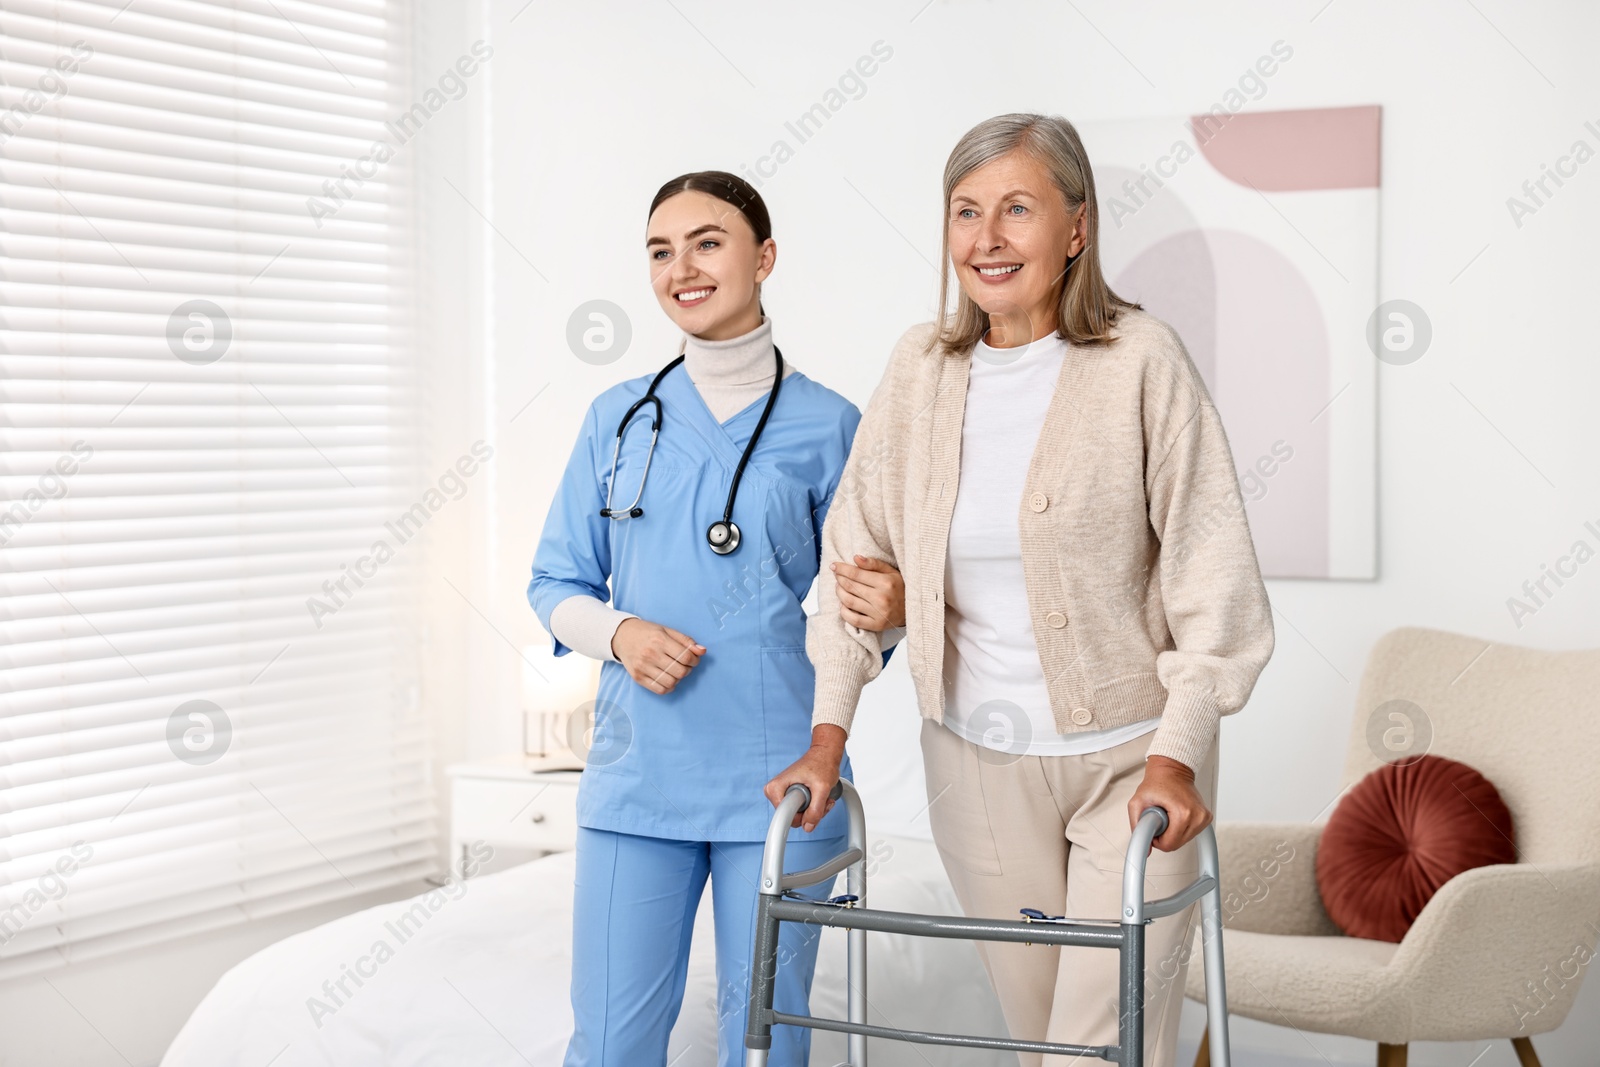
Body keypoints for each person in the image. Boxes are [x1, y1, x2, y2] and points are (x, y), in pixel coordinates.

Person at [765, 114, 1276, 1067]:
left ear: (1075, 229)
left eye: (1016, 209)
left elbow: (1215, 572)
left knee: (1099, 1048)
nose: (986, 238)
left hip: (1135, 768)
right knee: (1040, 1037)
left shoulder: (1140, 361)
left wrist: (1181, 747)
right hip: (976, 769)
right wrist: (828, 732)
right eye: (966, 212)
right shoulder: (922, 369)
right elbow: (855, 562)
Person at [528, 170, 904, 1067]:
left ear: (764, 257)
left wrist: (892, 615)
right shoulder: (617, 419)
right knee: (612, 1044)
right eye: (660, 251)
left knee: (766, 1044)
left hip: (783, 780)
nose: (680, 268)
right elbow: (553, 584)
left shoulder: (830, 424)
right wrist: (620, 633)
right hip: (638, 777)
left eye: (706, 242)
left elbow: (865, 615)